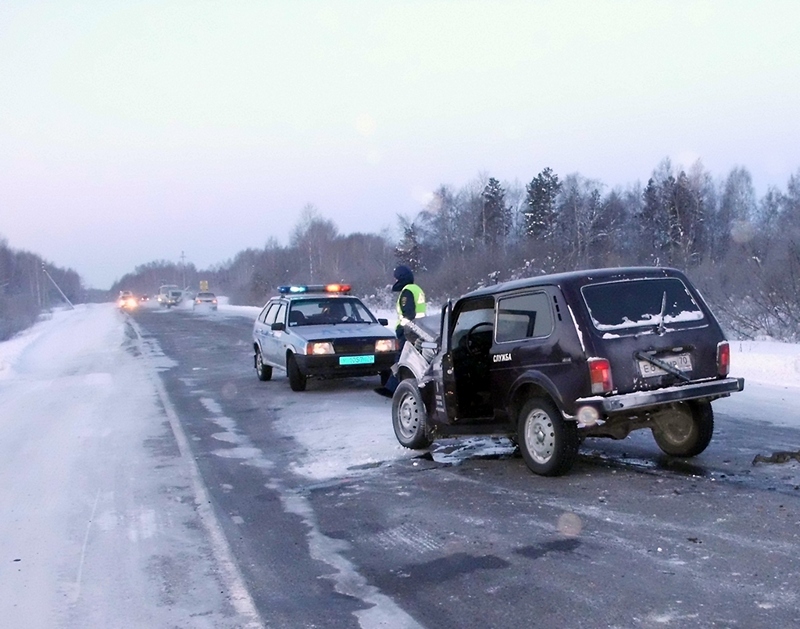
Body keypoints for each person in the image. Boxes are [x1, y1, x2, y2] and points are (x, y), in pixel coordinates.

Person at [375, 265, 426, 397]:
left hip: (408, 331)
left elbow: (408, 313)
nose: (395, 281)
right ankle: (393, 387)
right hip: (419, 329)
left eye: (396, 278)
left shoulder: (407, 291)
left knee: (401, 359)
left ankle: (392, 389)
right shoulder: (416, 289)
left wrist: (406, 330)